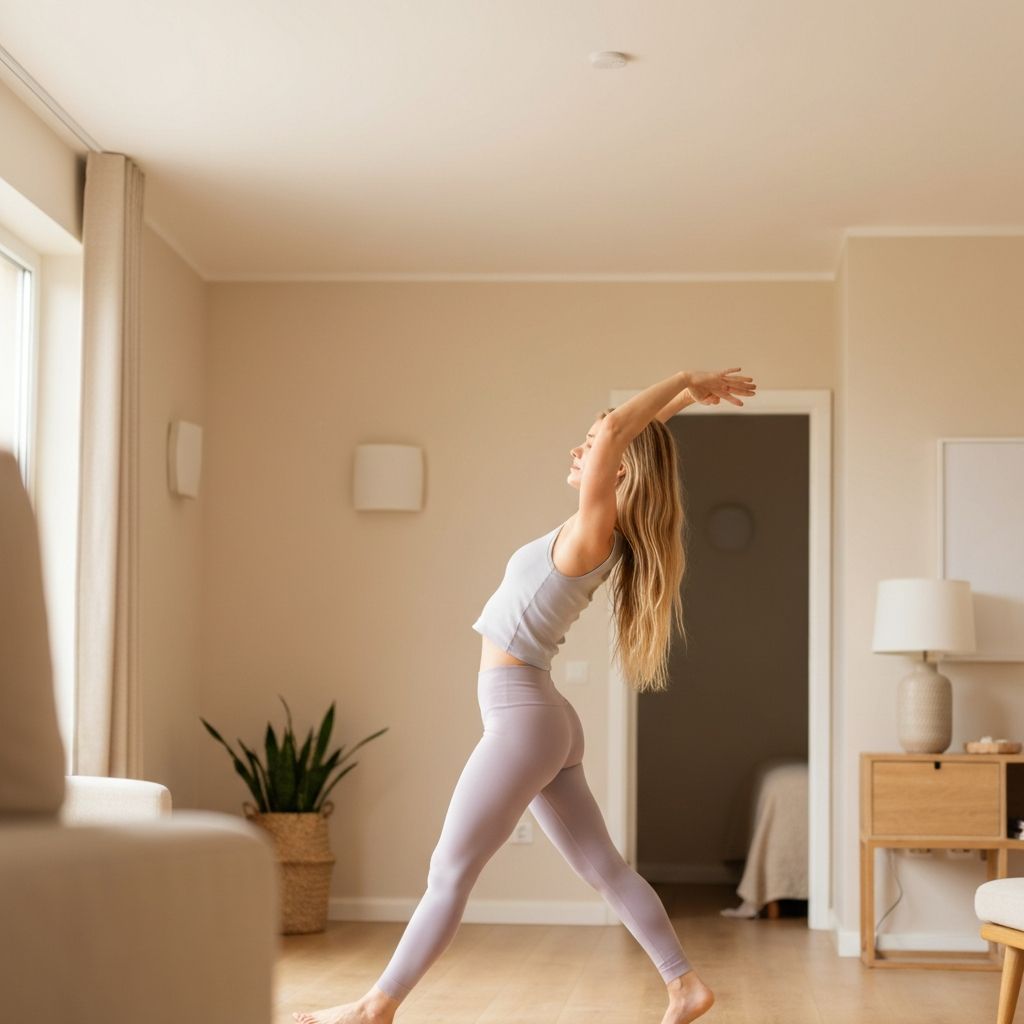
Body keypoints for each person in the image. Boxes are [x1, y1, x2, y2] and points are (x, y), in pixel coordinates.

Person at [294, 367, 758, 1024]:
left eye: (594, 441)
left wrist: (684, 379)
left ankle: (375, 1008)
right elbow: (633, 436)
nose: (582, 450)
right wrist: (684, 401)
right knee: (604, 869)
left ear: (619, 467)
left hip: (522, 718)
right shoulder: (598, 529)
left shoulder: (596, 526)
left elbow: (625, 432)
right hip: (541, 716)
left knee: (448, 872)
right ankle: (683, 984)